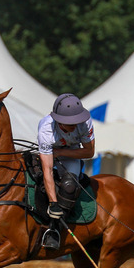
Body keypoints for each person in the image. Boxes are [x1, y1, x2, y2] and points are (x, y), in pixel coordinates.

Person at [36, 93, 95, 249]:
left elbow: (89, 152)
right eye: (69, 123)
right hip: (48, 154)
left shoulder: (85, 122)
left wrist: (61, 152)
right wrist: (53, 203)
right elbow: (48, 170)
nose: (74, 125)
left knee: (69, 186)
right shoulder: (46, 129)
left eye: (76, 121)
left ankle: (54, 230)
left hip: (71, 154)